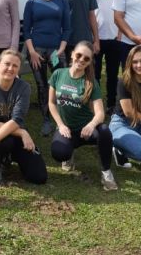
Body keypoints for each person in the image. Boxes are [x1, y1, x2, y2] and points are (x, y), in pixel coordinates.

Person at [48, 41, 118, 191]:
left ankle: (106, 172)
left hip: (86, 130)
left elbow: (100, 113)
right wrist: (60, 125)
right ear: (72, 54)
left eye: (86, 58)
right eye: (79, 55)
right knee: (59, 153)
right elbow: (52, 103)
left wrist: (91, 125)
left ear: (90, 62)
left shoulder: (91, 82)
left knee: (104, 131)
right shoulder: (58, 74)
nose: (81, 60)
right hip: (66, 129)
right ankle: (69, 154)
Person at [0, 49, 48, 186]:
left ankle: (9, 157)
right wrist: (22, 132)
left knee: (39, 176)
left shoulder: (24, 87)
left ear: (19, 68)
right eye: (7, 64)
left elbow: (17, 119)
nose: (10, 68)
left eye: (15, 66)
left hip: (15, 132)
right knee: (5, 141)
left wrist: (20, 131)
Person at [23, 0, 71, 136]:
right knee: (42, 85)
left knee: (61, 84)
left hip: (56, 51)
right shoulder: (31, 4)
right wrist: (32, 52)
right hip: (36, 51)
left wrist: (62, 49)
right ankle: (46, 120)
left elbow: (67, 28)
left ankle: (62, 118)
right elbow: (26, 31)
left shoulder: (62, 2)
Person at [88, 0, 124, 111]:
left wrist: (121, 33)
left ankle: (110, 104)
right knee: (93, 75)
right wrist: (93, 38)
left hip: (115, 38)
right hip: (95, 39)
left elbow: (124, 12)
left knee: (112, 74)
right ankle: (95, 104)